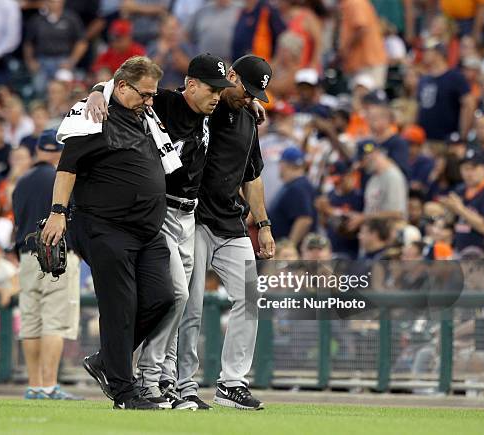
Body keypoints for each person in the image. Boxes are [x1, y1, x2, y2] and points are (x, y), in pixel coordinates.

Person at [85, 52, 236, 410]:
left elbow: (237, 97)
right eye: (211, 88)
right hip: (161, 209)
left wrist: (250, 107)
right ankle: (148, 379)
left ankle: (161, 378)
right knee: (177, 296)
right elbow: (124, 83)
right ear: (191, 85)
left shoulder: (211, 112)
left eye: (221, 89)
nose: (217, 95)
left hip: (190, 215)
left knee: (179, 305)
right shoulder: (165, 102)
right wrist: (95, 90)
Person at [41, 56, 175, 410]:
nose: (150, 101)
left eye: (152, 95)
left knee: (163, 297)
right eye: (144, 94)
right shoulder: (93, 116)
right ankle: (124, 392)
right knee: (120, 308)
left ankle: (106, 361)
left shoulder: (144, 115)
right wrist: (57, 213)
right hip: (105, 227)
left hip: (147, 230)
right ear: (123, 86)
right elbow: (67, 167)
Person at [178, 55, 275, 410]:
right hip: (197, 218)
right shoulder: (205, 106)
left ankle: (231, 382)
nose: (248, 98)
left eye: (255, 95)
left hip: (231, 222)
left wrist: (262, 225)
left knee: (249, 298)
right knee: (191, 306)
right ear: (229, 75)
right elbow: (181, 97)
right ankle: (183, 383)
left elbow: (252, 175)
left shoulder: (250, 116)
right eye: (245, 90)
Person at [12, 130, 83, 400]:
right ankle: (49, 385)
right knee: (54, 321)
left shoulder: (22, 181)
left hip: (28, 256)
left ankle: (34, 385)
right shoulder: (62, 178)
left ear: (39, 150)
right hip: (58, 257)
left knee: (31, 321)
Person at [439, 149, 484, 255]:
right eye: (465, 169)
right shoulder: (459, 190)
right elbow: (451, 222)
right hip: (459, 250)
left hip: (483, 254)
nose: (468, 173)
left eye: (473, 169)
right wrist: (448, 211)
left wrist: (460, 209)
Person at [269, 146, 316, 246]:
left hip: (293, 252)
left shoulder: (298, 187)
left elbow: (304, 219)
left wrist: (290, 246)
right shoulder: (295, 185)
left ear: (285, 165)